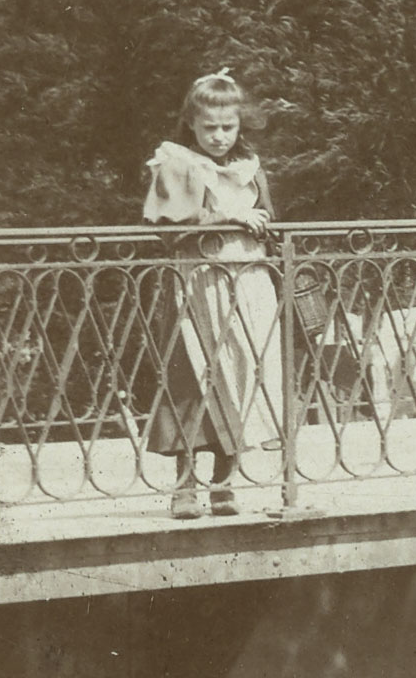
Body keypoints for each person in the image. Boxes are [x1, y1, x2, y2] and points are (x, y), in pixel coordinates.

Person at [142, 68, 283, 519]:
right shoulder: (177, 162)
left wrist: (257, 220)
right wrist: (234, 218)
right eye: (209, 128)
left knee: (243, 373)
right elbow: (173, 223)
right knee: (195, 378)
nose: (219, 137)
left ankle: (225, 482)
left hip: (249, 280)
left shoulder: (250, 167)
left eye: (228, 127)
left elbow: (266, 216)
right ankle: (185, 486)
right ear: (191, 123)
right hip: (200, 283)